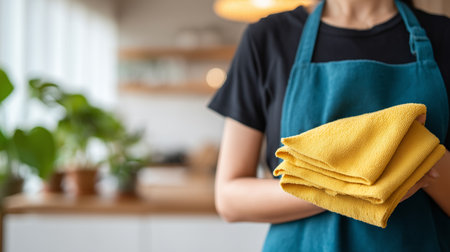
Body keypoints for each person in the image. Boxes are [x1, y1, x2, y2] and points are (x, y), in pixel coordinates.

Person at [208, 0, 450, 251]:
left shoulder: (444, 36)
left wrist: (417, 152)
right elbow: (230, 199)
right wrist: (354, 188)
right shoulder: (268, 38)